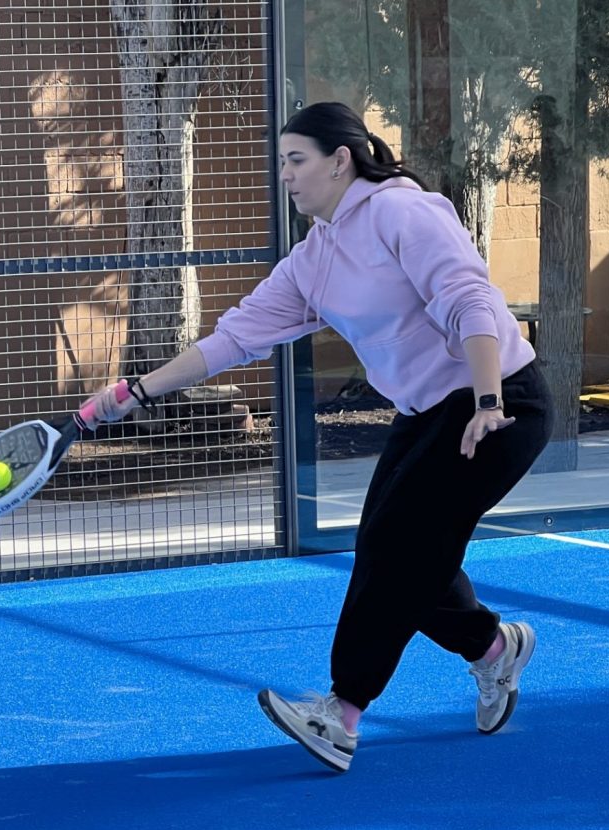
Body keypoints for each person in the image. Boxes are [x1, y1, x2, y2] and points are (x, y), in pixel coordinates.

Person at [85, 102, 553, 773]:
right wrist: (135, 391)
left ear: (341, 160)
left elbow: (470, 300)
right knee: (394, 549)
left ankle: (343, 713)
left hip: (500, 402)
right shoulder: (314, 259)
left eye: (296, 160)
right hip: (427, 411)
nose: (285, 174)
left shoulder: (403, 212)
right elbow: (235, 338)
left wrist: (486, 397)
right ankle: (493, 650)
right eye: (280, 161)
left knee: (398, 549)